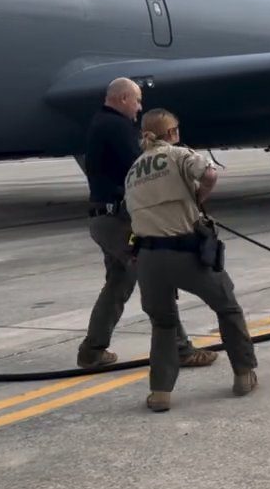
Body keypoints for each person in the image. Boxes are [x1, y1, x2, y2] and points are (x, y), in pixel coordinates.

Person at [124, 108, 259, 412]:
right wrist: (200, 198)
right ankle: (243, 375)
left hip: (147, 259)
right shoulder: (178, 154)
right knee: (227, 307)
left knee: (163, 323)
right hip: (184, 252)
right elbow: (209, 173)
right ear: (171, 132)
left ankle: (160, 393)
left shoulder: (133, 168)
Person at [77, 77, 214, 370]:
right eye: (137, 101)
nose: (140, 108)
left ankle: (92, 349)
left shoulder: (100, 124)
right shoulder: (116, 127)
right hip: (119, 223)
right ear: (123, 99)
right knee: (158, 277)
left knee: (118, 283)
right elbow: (142, 171)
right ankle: (180, 349)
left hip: (102, 220)